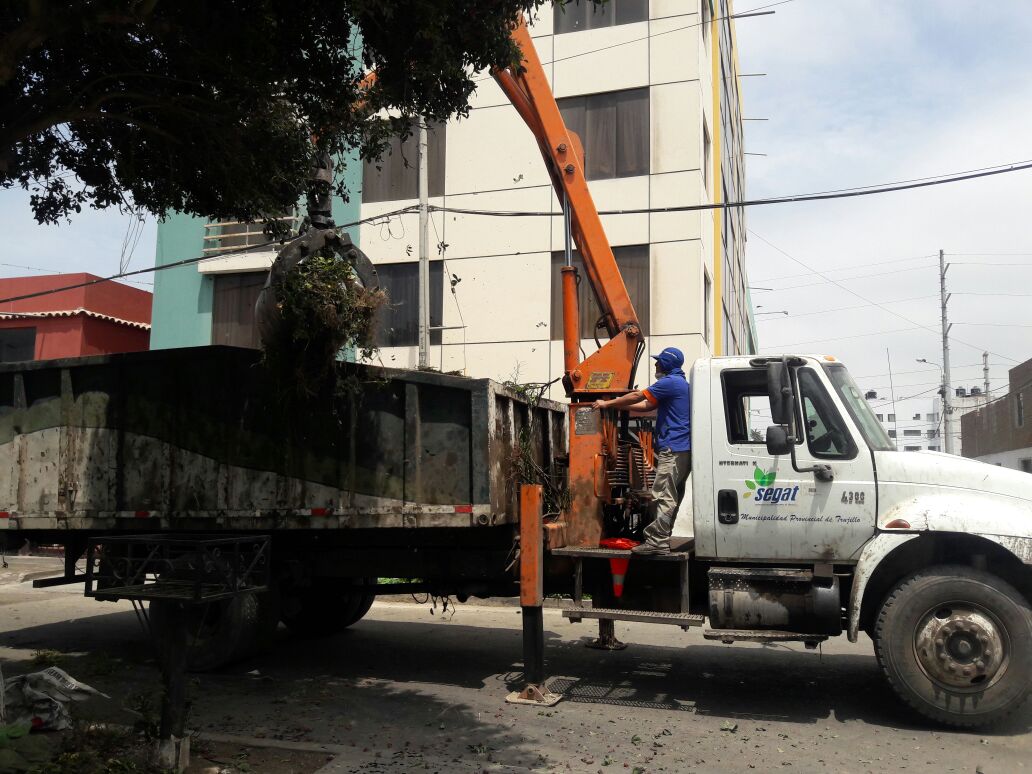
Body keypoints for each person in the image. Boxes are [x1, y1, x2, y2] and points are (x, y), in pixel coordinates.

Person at [592, 347, 691, 556]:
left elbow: (638, 395)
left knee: (662, 495)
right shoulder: (681, 384)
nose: (655, 365)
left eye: (658, 362)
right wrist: (619, 407)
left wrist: (607, 402)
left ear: (666, 363)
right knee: (671, 495)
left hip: (672, 449)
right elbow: (646, 405)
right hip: (681, 450)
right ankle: (662, 537)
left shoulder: (669, 382)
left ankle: (657, 542)